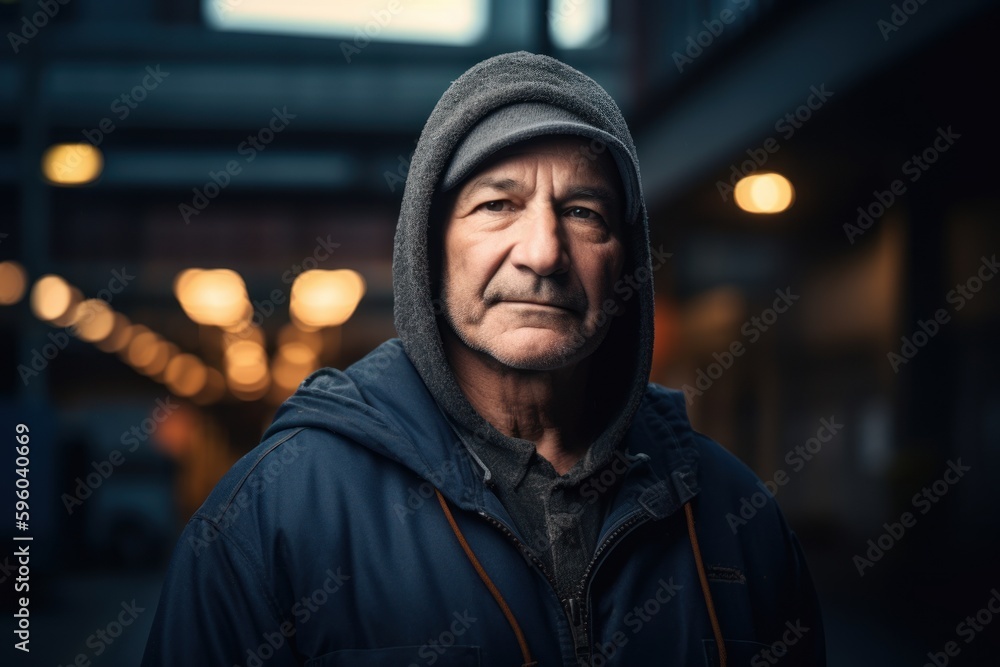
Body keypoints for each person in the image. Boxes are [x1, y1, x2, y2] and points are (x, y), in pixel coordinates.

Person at [141, 51, 825, 667]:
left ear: (625, 259)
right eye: (498, 204)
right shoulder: (272, 521)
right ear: (430, 252)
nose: (545, 252)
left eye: (584, 212)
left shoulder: (739, 519)